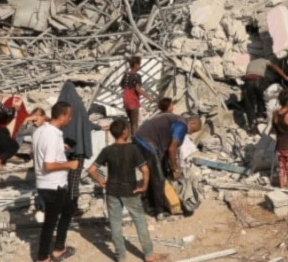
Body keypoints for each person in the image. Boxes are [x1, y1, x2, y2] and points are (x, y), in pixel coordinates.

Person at [87, 119, 166, 262]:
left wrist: (100, 181)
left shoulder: (107, 150)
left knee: (115, 224)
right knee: (139, 221)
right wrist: (144, 186)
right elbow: (145, 170)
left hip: (112, 190)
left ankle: (120, 256)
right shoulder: (133, 149)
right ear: (125, 132)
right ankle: (149, 254)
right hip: (130, 190)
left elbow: (91, 170)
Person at [134, 99, 201, 217]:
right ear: (193, 123)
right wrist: (175, 170)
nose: (190, 133)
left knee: (153, 173)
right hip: (148, 143)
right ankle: (160, 210)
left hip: (140, 138)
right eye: (194, 131)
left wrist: (169, 165)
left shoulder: (174, 118)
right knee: (158, 177)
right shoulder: (182, 126)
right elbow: (172, 148)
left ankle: (150, 201)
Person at [33, 101, 79, 262]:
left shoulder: (41, 131)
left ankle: (59, 248)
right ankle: (42, 257)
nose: (70, 119)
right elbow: (48, 164)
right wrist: (69, 164)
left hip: (50, 183)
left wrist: (61, 149)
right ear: (61, 117)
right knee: (50, 223)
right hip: (52, 185)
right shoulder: (52, 135)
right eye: (69, 116)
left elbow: (43, 153)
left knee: (68, 209)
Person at [241, 57, 288, 131]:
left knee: (250, 104)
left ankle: (252, 126)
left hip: (248, 82)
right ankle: (261, 118)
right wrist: (286, 77)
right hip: (258, 80)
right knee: (262, 98)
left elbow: (249, 75)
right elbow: (275, 67)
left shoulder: (251, 63)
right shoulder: (266, 61)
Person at [271, 89, 288, 189]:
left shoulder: (275, 114)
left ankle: (282, 188)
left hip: (279, 146)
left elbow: (273, 128)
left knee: (281, 168)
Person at [121, 56, 154, 131]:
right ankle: (135, 140)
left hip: (126, 100)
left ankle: (131, 138)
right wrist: (148, 96)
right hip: (133, 101)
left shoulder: (126, 75)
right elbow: (137, 89)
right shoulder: (137, 76)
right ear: (135, 64)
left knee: (131, 122)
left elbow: (123, 86)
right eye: (139, 64)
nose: (140, 66)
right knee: (135, 123)